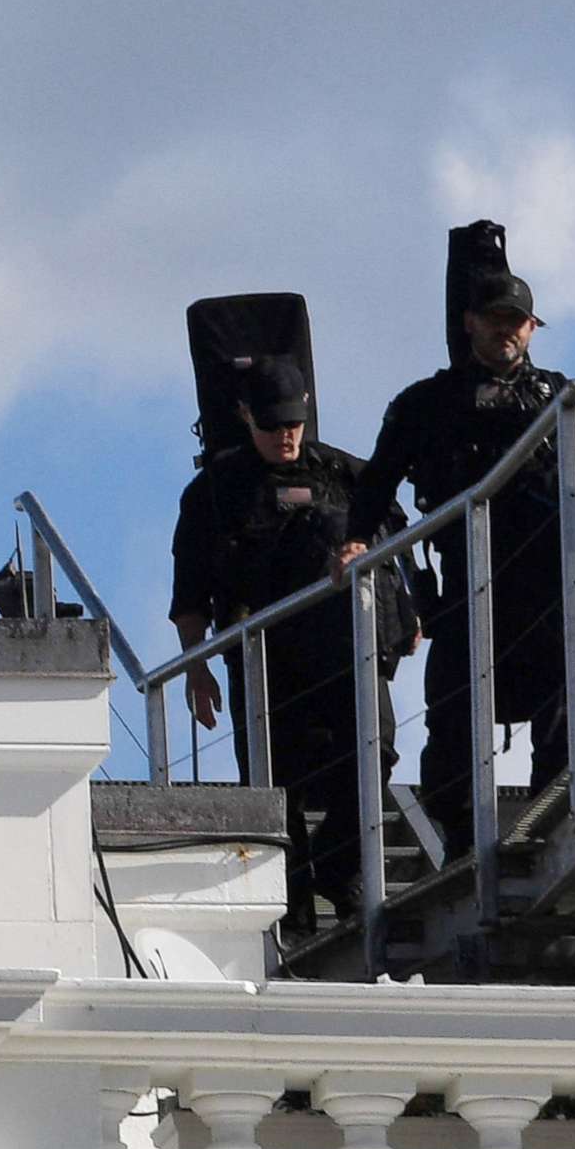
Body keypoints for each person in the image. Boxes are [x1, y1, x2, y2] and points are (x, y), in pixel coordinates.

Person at [336, 272, 575, 862]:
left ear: (533, 328)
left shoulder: (566, 399)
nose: (507, 330)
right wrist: (354, 540)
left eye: (517, 320)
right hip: (469, 590)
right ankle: (460, 847)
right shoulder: (424, 404)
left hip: (555, 592)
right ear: (470, 322)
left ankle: (549, 830)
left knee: (561, 723)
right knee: (451, 723)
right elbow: (375, 485)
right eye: (495, 318)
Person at [171, 356, 413, 927]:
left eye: (294, 424)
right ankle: (293, 917)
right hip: (263, 658)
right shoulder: (212, 493)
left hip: (342, 648)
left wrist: (406, 609)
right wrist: (195, 667)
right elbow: (190, 591)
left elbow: (393, 537)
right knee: (275, 792)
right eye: (273, 425)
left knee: (374, 751)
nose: (286, 437)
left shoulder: (342, 473)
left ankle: (338, 864)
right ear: (245, 416)